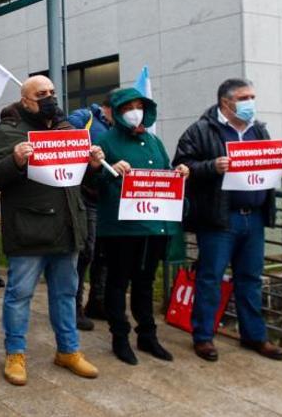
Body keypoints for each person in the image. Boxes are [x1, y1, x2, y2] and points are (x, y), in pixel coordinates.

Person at [0, 75, 103, 386]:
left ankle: (68, 350)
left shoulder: (68, 131)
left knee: (65, 293)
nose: (49, 98)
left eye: (52, 92)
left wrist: (94, 165)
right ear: (25, 100)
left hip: (67, 226)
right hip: (30, 228)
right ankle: (15, 353)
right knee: (19, 294)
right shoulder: (8, 132)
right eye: (41, 94)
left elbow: (82, 180)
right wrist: (16, 160)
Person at [173, 78, 282, 362]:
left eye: (252, 96)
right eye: (244, 97)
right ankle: (203, 337)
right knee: (210, 278)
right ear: (226, 102)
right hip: (218, 219)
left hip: (254, 218)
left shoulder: (259, 130)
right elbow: (181, 167)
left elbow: (267, 173)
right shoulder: (200, 130)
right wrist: (211, 166)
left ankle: (255, 336)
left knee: (250, 279)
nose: (251, 102)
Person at [92, 87, 189, 365]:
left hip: (153, 227)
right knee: (118, 281)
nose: (135, 112)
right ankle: (119, 337)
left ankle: (147, 335)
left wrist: (178, 173)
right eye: (127, 107)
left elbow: (163, 173)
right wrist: (106, 171)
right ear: (118, 112)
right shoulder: (106, 142)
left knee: (145, 282)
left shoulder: (154, 141)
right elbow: (92, 185)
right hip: (121, 229)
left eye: (139, 106)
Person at [68, 94, 115, 329]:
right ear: (107, 107)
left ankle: (97, 301)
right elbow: (65, 134)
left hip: (111, 199)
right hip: (87, 196)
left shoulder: (123, 129)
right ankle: (73, 306)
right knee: (86, 252)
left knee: (104, 253)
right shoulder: (85, 118)